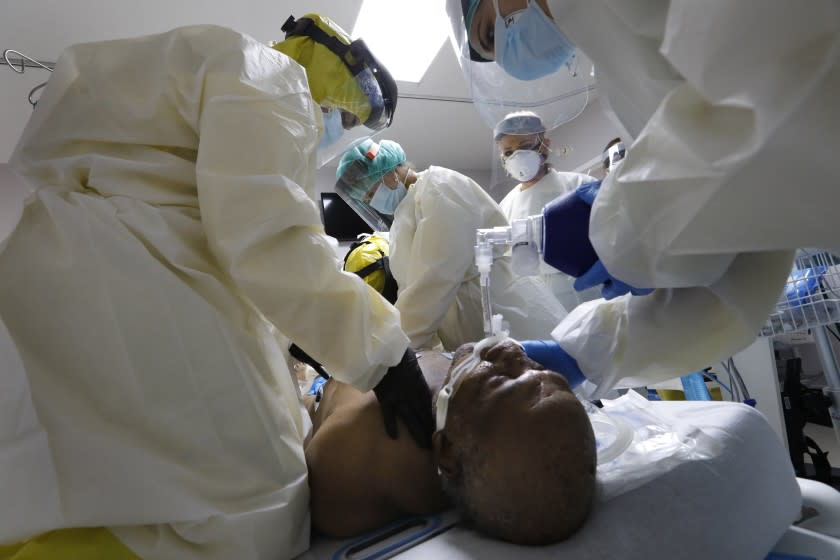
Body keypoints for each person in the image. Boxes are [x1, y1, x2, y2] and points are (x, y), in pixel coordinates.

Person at [0, 16, 435, 560]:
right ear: (324, 81)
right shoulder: (270, 78)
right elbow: (266, 238)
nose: (334, 129)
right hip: (134, 268)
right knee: (256, 498)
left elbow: (236, 230)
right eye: (343, 116)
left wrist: (309, 336)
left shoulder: (209, 70)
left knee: (95, 463)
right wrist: (385, 354)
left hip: (75, 259)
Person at [446, 0, 836, 398]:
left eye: (493, 34)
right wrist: (586, 351)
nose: (513, 58)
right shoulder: (619, 62)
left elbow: (789, 85)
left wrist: (626, 223)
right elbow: (743, 267)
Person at [304, 337, 596, 544]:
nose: (512, 351)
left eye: (497, 381)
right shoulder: (487, 429)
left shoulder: (351, 462)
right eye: (541, 369)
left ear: (446, 451)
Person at [335, 139, 568, 351]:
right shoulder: (403, 216)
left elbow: (436, 277)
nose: (372, 202)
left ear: (389, 175)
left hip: (508, 314)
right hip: (472, 332)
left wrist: (394, 349)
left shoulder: (439, 186)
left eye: (371, 193)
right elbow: (413, 289)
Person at [494, 111, 599, 311]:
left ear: (546, 144)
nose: (517, 156)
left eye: (525, 147)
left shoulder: (581, 186)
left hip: (586, 297)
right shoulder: (504, 207)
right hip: (533, 305)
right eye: (508, 152)